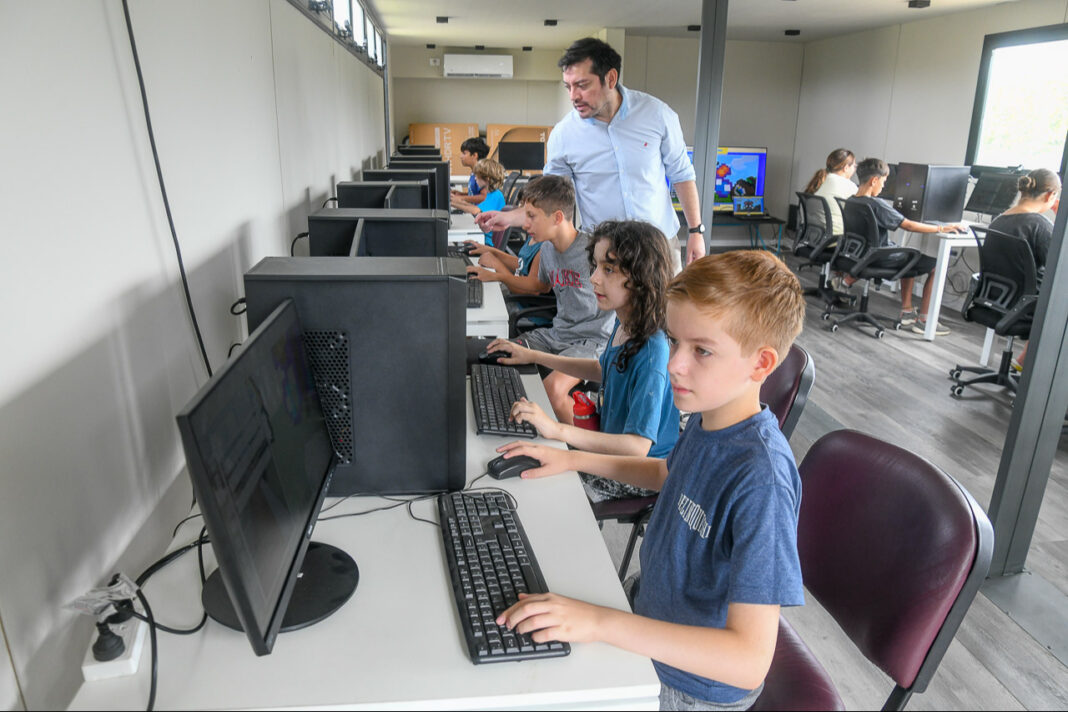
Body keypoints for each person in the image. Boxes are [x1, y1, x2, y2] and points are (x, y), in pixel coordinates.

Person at [493, 250, 807, 710]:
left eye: (701, 350)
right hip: (649, 612)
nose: (674, 364)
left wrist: (600, 622)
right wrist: (571, 460)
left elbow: (748, 661)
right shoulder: (709, 416)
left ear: (760, 365)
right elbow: (665, 472)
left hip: (690, 687)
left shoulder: (762, 478)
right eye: (675, 342)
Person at [487, 220, 679, 502]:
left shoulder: (653, 350)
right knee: (537, 453)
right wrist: (533, 356)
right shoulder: (625, 322)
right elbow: (603, 369)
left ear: (641, 277)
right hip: (612, 448)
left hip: (639, 471)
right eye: (596, 266)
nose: (594, 279)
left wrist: (558, 430)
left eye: (608, 269)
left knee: (541, 488)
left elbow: (637, 447)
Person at [475, 37, 706, 270]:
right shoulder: (564, 134)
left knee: (667, 297)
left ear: (611, 78)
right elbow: (550, 199)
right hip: (606, 252)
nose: (573, 96)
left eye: (582, 85)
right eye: (568, 87)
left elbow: (681, 174)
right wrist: (510, 217)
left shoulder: (657, 115)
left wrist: (696, 231)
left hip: (659, 245)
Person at [484, 174, 614, 424]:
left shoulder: (593, 251)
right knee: (497, 354)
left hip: (593, 341)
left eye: (531, 216)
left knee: (553, 390)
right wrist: (497, 273)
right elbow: (540, 285)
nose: (525, 224)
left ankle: (584, 445)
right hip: (557, 334)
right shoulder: (546, 249)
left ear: (557, 217)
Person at [845, 157, 967, 334]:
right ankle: (925, 320)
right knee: (935, 266)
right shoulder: (876, 204)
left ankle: (907, 311)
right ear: (874, 181)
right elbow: (908, 225)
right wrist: (942, 228)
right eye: (884, 182)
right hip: (880, 258)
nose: (883, 186)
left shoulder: (851, 200)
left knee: (910, 256)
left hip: (861, 255)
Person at [988, 168, 1061, 369]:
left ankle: (1022, 362)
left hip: (997, 298)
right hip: (1024, 304)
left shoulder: (999, 220)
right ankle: (1036, 370)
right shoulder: (1040, 225)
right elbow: (1059, 267)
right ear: (1050, 195)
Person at [451, 158, 507, 245]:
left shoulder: (496, 195)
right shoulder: (489, 193)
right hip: (482, 235)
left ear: (487, 179)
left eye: (477, 176)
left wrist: (453, 203)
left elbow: (476, 210)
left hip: (486, 241)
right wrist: (457, 201)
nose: (475, 178)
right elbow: (474, 207)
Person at [802, 148, 857, 236]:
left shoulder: (822, 179)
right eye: (854, 166)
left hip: (815, 236)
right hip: (836, 238)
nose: (854, 170)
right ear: (846, 168)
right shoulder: (849, 186)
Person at [451, 137, 490, 206]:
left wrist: (461, 198)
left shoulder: (481, 172)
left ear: (474, 155)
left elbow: (484, 197)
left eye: (464, 153)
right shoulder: (474, 172)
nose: (461, 156)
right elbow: (475, 194)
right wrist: (461, 194)